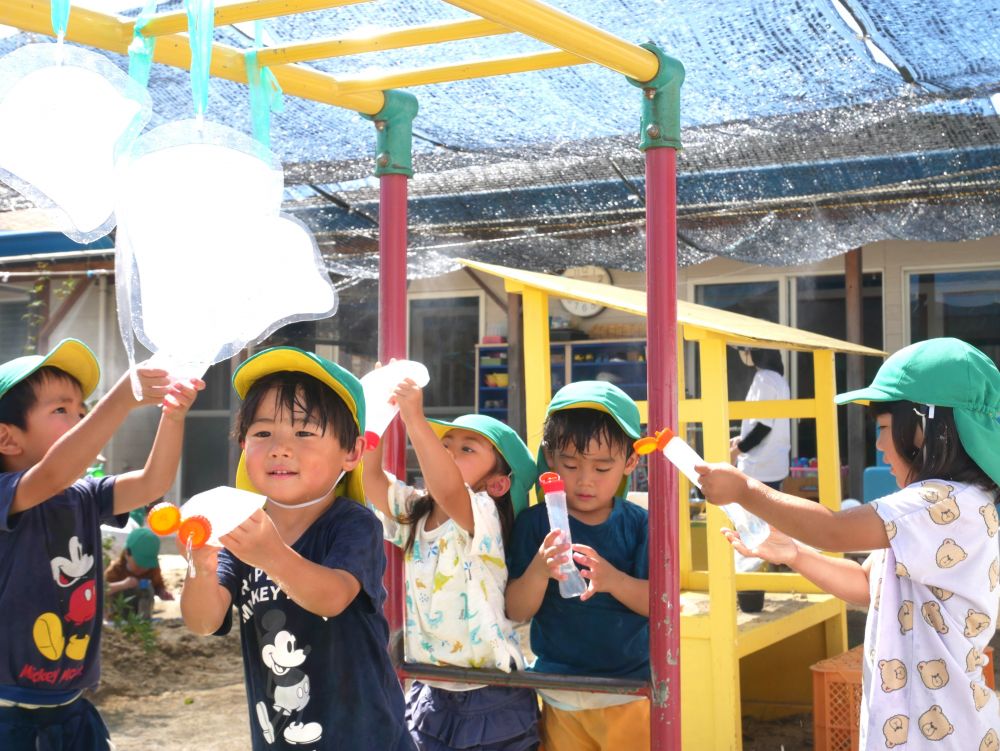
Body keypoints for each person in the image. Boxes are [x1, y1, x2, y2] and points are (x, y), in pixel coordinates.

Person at [698, 337, 1000, 749]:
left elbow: (833, 530)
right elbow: (864, 583)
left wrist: (744, 489)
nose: (878, 445)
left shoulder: (942, 505)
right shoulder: (935, 513)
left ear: (925, 428)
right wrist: (794, 553)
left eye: (884, 429)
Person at [180, 346, 411, 751]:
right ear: (243, 444)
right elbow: (202, 621)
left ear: (352, 453)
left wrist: (271, 554)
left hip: (366, 739)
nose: (280, 447)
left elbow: (333, 597)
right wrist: (200, 565)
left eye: (304, 432)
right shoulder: (240, 532)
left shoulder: (352, 524)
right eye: (263, 433)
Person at [0, 338, 203, 750]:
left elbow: (152, 483)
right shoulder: (7, 492)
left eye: (82, 410)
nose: (79, 420)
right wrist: (122, 399)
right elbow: (54, 473)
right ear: (8, 439)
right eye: (61, 410)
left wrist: (174, 417)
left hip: (72, 703)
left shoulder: (86, 494)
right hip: (7, 710)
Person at [361, 371, 540, 751]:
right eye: (446, 445)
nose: (446, 453)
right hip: (432, 687)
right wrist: (378, 410)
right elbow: (372, 481)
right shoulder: (417, 513)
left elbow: (447, 486)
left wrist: (415, 419)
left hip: (491, 692)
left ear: (498, 483)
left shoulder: (484, 515)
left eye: (467, 449)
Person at [506, 381, 650, 751]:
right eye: (570, 464)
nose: (585, 480)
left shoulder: (638, 523)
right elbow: (516, 610)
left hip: (628, 692)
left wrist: (613, 580)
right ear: (550, 459)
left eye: (602, 468)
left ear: (630, 462)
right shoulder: (535, 524)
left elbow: (659, 605)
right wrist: (539, 570)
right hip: (559, 691)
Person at [730, 347, 790, 490]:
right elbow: (769, 424)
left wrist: (736, 451)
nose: (744, 353)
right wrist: (742, 438)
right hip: (775, 465)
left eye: (745, 350)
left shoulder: (764, 379)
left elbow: (763, 428)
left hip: (759, 468)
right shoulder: (780, 380)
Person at [105, 526, 174, 620]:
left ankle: (144, 621)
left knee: (148, 588)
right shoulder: (116, 569)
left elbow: (158, 585)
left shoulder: (153, 569)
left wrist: (162, 593)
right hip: (118, 616)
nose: (144, 568)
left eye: (147, 564)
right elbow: (102, 590)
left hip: (142, 615)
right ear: (127, 554)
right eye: (139, 564)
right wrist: (123, 584)